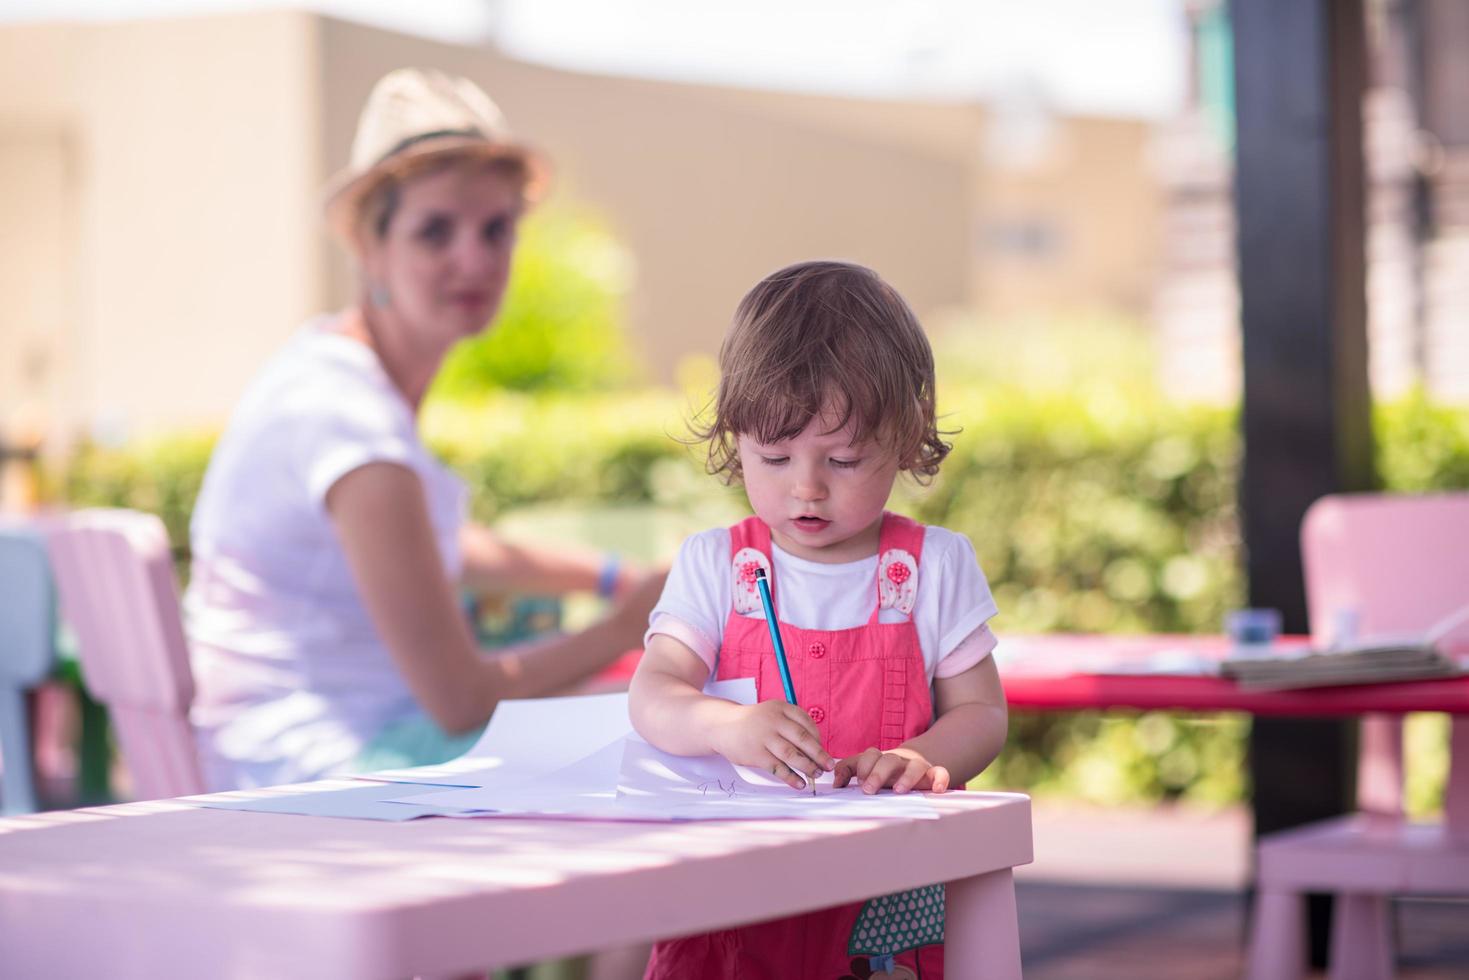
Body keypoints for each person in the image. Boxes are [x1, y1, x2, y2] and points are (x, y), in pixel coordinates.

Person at [184, 68, 663, 792]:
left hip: (292, 751)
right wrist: (627, 626)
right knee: (674, 731)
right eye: (435, 230)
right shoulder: (349, 420)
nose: (474, 258)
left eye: (496, 229)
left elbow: (426, 543)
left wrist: (613, 577)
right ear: (370, 249)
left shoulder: (331, 375)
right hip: (319, 776)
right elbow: (459, 698)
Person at [628, 260, 1009, 979]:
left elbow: (983, 711)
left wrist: (928, 758)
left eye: (843, 458)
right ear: (733, 440)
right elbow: (654, 693)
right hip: (730, 900)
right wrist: (725, 726)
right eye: (772, 456)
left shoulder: (933, 566)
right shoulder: (716, 564)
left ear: (905, 438)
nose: (805, 486)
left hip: (880, 898)